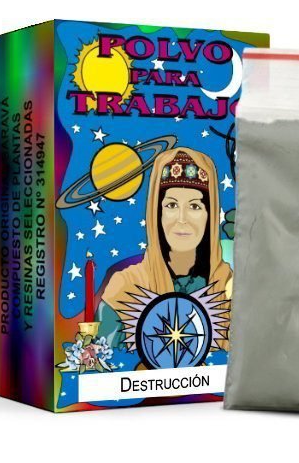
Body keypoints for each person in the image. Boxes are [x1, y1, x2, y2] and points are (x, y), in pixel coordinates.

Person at [98, 147, 232, 352]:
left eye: (195, 206)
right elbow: (103, 361)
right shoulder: (124, 289)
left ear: (210, 215)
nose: (182, 219)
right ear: (156, 212)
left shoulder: (227, 287)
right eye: (171, 205)